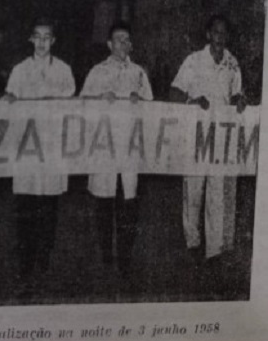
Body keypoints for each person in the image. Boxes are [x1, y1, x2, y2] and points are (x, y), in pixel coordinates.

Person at [170, 14, 246, 263]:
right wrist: (193, 101)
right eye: (216, 32)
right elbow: (175, 92)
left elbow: (236, 95)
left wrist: (240, 101)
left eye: (224, 33)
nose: (220, 37)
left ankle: (213, 250)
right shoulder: (193, 61)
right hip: (195, 135)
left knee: (216, 191)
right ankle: (192, 241)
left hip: (221, 138)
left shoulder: (232, 63)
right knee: (193, 191)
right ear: (208, 34)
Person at [79, 21, 153, 278]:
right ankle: (106, 252)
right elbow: (81, 107)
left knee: (128, 204)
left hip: (130, 150)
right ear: (109, 44)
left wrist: (139, 100)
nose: (124, 44)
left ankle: (125, 256)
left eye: (127, 39)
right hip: (105, 148)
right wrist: (100, 100)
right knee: (104, 203)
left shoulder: (139, 74)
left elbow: (154, 111)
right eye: (118, 39)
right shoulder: (97, 73)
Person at [4, 17, 75, 281]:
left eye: (48, 37)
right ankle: (25, 258)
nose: (42, 42)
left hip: (52, 147)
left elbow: (71, 105)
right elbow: (9, 101)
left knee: (48, 206)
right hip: (27, 149)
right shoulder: (19, 70)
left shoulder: (64, 71)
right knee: (26, 204)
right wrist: (10, 100)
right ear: (31, 39)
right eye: (38, 36)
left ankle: (43, 255)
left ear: (53, 41)